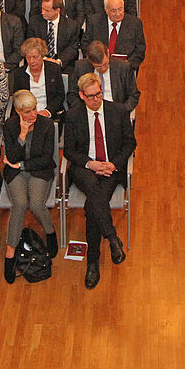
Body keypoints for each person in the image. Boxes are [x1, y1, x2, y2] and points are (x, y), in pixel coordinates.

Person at [63, 73, 135, 289]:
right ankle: (112, 238)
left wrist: (113, 164)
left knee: (92, 205)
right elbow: (69, 151)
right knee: (95, 191)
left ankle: (92, 263)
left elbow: (130, 143)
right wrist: (90, 164)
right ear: (82, 96)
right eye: (92, 96)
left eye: (99, 94)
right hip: (86, 168)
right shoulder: (74, 116)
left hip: (111, 167)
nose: (96, 99)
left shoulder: (118, 111)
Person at [1, 90, 59, 283]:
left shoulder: (47, 125)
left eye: (34, 109)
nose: (33, 114)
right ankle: (10, 254)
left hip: (38, 171)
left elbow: (45, 158)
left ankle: (50, 233)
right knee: (19, 204)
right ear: (18, 111)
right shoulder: (9, 126)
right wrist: (23, 135)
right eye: (27, 111)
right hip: (16, 173)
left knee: (35, 203)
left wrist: (22, 165)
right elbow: (12, 155)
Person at [70, 40, 141, 113]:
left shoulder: (123, 67)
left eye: (105, 64)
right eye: (98, 67)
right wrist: (83, 111)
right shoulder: (81, 67)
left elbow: (134, 95)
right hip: (89, 111)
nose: (103, 69)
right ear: (90, 62)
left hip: (115, 111)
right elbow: (72, 95)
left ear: (108, 53)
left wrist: (122, 110)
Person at [82, 0, 146, 71]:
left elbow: (140, 50)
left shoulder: (135, 24)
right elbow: (85, 45)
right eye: (113, 11)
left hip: (125, 69)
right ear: (106, 10)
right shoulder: (94, 22)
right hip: (99, 67)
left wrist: (128, 65)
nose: (118, 14)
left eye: (120, 9)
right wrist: (97, 62)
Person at [11, 38, 65, 121]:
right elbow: (17, 98)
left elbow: (59, 96)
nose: (31, 61)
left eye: (35, 57)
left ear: (42, 55)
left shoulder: (54, 69)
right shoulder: (19, 73)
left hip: (50, 114)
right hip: (26, 115)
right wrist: (28, 114)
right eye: (28, 57)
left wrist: (47, 111)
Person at [28, 0, 80, 71]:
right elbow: (31, 44)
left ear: (57, 10)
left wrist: (59, 62)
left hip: (62, 64)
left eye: (47, 10)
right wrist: (44, 59)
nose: (43, 12)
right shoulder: (35, 22)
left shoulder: (71, 25)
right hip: (40, 61)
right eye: (42, 9)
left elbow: (73, 48)